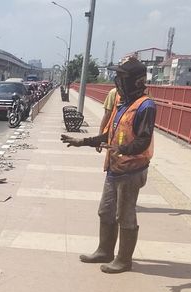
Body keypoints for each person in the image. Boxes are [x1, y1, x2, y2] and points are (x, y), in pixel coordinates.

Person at [60, 57, 156, 274]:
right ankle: (105, 251)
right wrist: (83, 142)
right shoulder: (124, 103)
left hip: (132, 170)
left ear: (136, 81)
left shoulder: (146, 106)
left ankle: (124, 260)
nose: (118, 82)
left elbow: (144, 139)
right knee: (106, 211)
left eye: (122, 78)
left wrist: (123, 150)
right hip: (115, 167)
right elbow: (110, 134)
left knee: (125, 215)